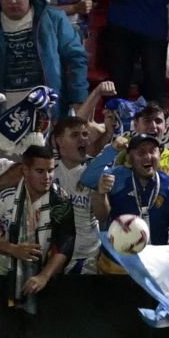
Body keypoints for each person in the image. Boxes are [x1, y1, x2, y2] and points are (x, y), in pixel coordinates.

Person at [0, 146, 75, 311]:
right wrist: (12, 249)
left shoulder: (60, 201)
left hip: (42, 279)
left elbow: (66, 242)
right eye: (40, 171)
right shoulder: (3, 195)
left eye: (50, 171)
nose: (47, 177)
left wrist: (43, 276)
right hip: (0, 276)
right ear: (25, 170)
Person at [89, 133, 169, 262]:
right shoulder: (116, 177)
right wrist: (100, 193)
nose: (148, 157)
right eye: (141, 152)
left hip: (155, 265)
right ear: (129, 158)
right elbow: (87, 178)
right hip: (118, 263)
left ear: (159, 155)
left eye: (153, 151)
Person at [51, 116, 100, 275]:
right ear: (59, 141)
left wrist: (100, 192)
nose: (82, 139)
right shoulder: (48, 170)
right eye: (75, 135)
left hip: (87, 258)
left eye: (85, 134)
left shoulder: (96, 171)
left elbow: (103, 216)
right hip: (51, 255)